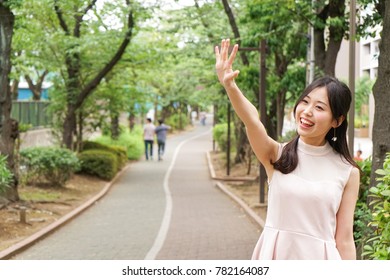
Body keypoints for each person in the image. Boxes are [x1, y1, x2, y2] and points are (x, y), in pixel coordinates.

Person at [215, 39, 360, 260]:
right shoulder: (277, 154)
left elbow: (345, 239)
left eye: (319, 107)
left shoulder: (348, 172)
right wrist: (230, 87)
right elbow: (253, 121)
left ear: (336, 121)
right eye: (305, 102)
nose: (307, 111)